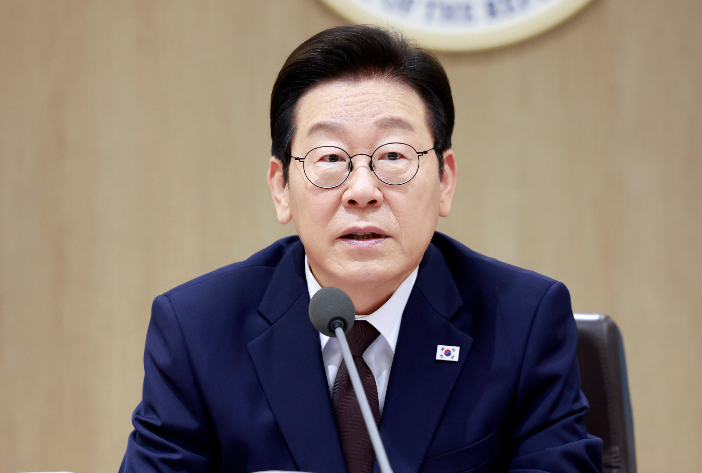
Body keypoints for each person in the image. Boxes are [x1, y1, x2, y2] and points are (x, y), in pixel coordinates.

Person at [120, 25, 602, 473]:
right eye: (331, 158)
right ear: (281, 187)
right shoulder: (197, 330)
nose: (362, 190)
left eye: (393, 155)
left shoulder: (522, 322)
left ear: (445, 181)